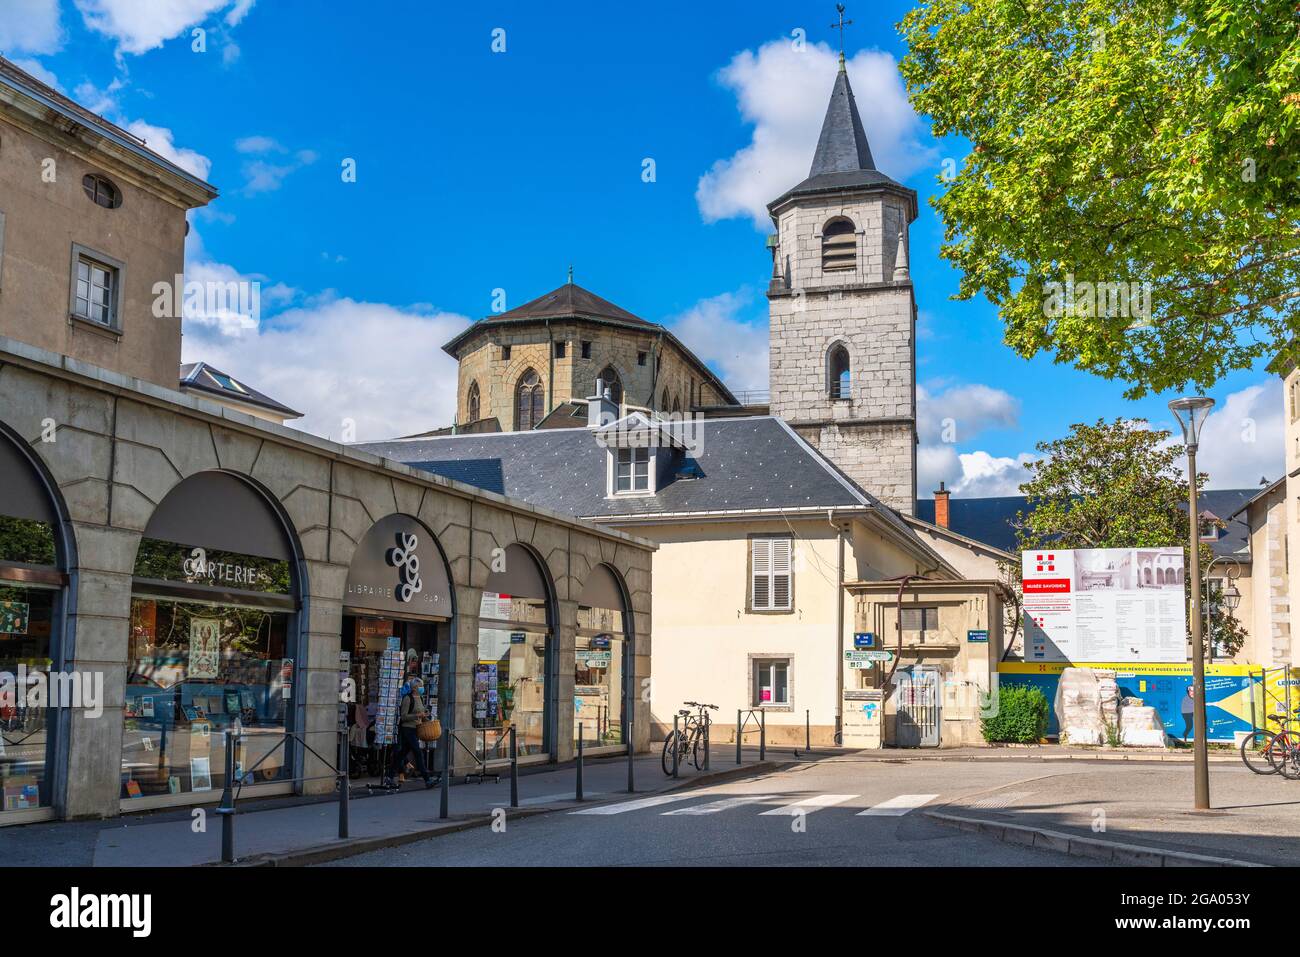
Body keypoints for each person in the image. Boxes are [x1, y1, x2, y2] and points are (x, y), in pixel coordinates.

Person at [393, 677, 436, 788]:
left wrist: (425, 717)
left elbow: (421, 713)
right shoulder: (408, 698)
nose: (422, 688)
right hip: (408, 729)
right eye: (420, 686)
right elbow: (404, 716)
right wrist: (417, 715)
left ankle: (389, 775)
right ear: (415, 688)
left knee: (402, 754)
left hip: (416, 728)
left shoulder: (420, 698)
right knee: (418, 752)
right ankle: (427, 779)